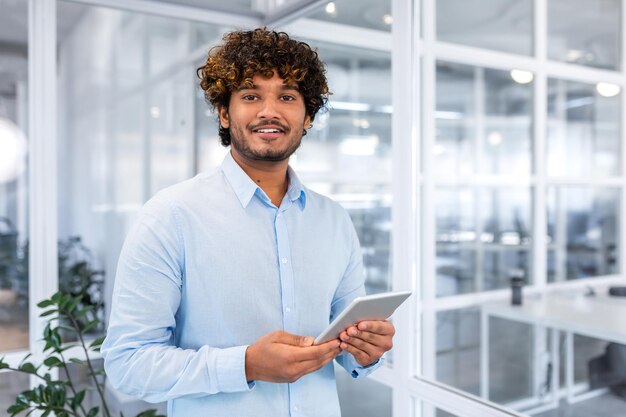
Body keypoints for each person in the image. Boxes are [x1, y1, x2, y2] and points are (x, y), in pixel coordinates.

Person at [101, 27, 395, 417]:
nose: (269, 111)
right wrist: (246, 365)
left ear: (307, 117)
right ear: (224, 113)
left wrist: (366, 351)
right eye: (251, 95)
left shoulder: (334, 220)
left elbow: (344, 341)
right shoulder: (170, 216)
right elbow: (128, 364)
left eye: (287, 97)